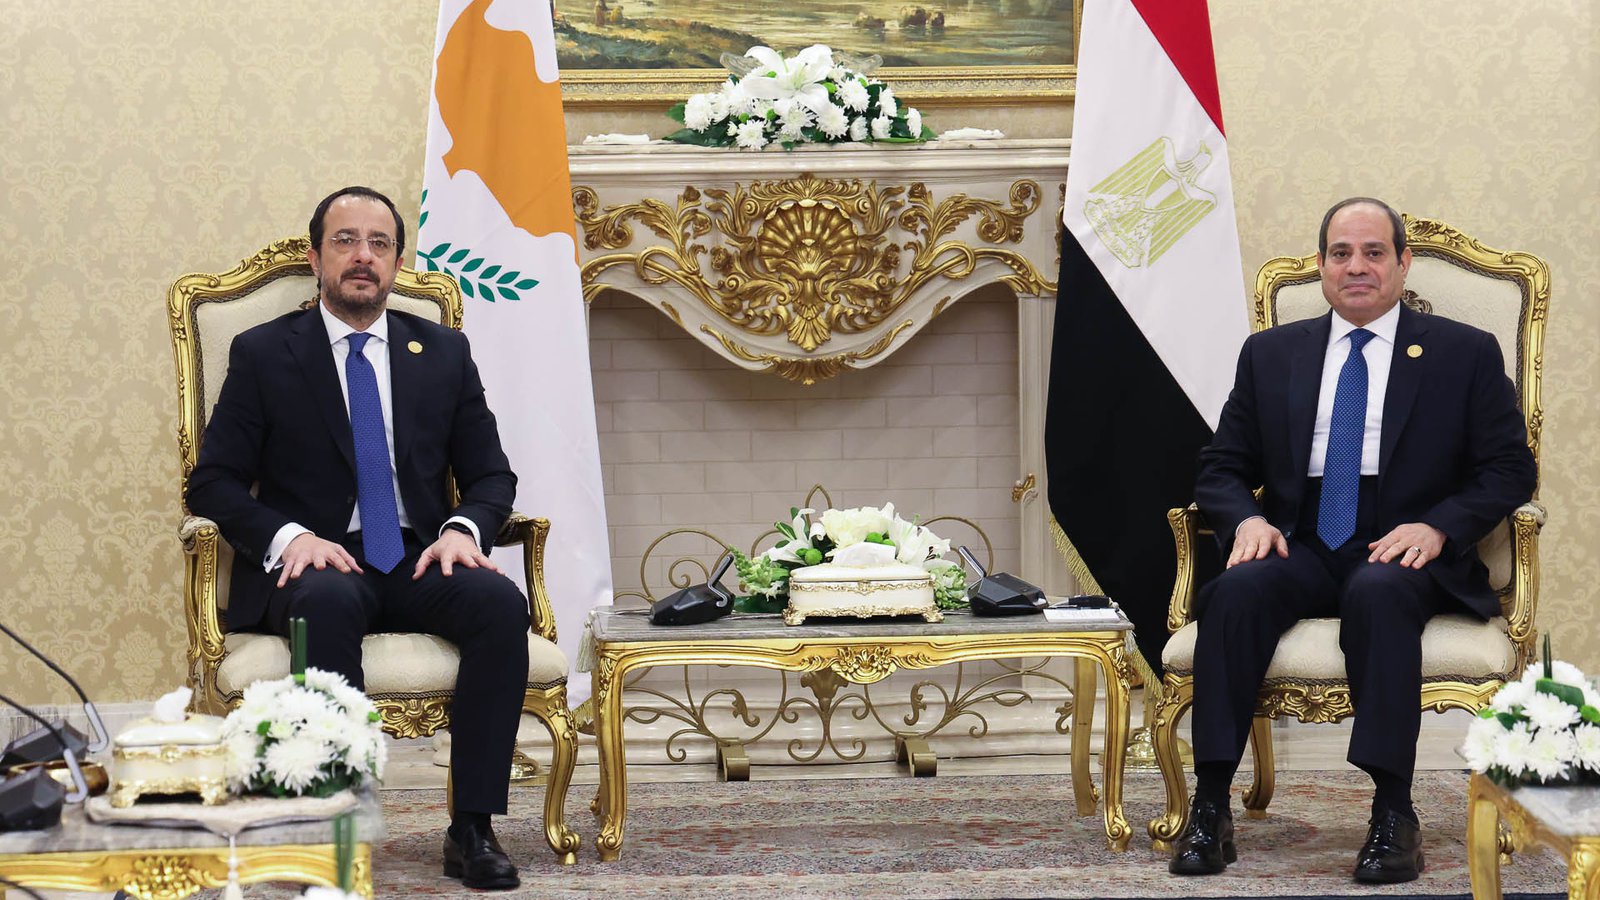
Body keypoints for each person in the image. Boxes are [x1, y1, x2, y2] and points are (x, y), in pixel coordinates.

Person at [1170, 198, 1536, 883]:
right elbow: (1221, 465)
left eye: (1373, 252)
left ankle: (1394, 813)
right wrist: (1246, 521)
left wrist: (1439, 526)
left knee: (1378, 592)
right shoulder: (1271, 354)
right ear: (1321, 266)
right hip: (1301, 539)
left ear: (1403, 263)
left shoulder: (1464, 352)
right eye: (1341, 253)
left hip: (1405, 544)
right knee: (1236, 593)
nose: (1357, 267)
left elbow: (1510, 468)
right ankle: (1211, 804)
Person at [187, 186, 530, 890]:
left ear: (398, 263)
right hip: (318, 560)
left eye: (379, 243)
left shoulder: (443, 351)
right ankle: (333, 829)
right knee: (327, 602)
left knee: (499, 605)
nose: (362, 256)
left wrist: (462, 529)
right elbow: (212, 482)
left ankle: (472, 828)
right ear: (316, 258)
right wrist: (289, 537)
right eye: (345, 241)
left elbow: (492, 475)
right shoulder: (264, 352)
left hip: (417, 555)